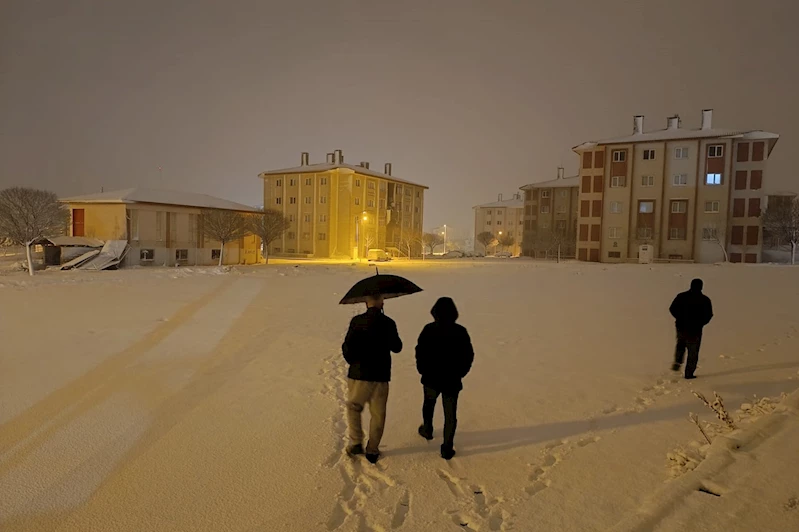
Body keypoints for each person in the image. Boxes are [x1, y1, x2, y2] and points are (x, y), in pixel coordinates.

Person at [341, 292, 402, 464]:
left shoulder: (357, 321)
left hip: (359, 375)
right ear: (381, 302)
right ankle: (373, 450)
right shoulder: (389, 323)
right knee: (378, 415)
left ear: (366, 303)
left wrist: (353, 361)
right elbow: (397, 347)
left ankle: (356, 442)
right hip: (381, 376)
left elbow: (347, 346)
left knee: (354, 408)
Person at [415, 297, 474, 460]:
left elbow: (420, 352)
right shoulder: (460, 331)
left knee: (428, 404)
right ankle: (447, 447)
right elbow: (468, 356)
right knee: (450, 414)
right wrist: (461, 373)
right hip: (452, 380)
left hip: (431, 378)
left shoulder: (428, 329)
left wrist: (422, 370)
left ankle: (427, 429)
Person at [669, 278, 713, 380]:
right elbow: (709, 315)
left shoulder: (681, 296)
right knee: (693, 351)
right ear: (701, 287)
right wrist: (701, 323)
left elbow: (672, 308)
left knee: (680, 344)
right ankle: (689, 373)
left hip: (681, 327)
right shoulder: (705, 300)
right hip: (695, 329)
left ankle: (677, 362)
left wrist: (679, 318)